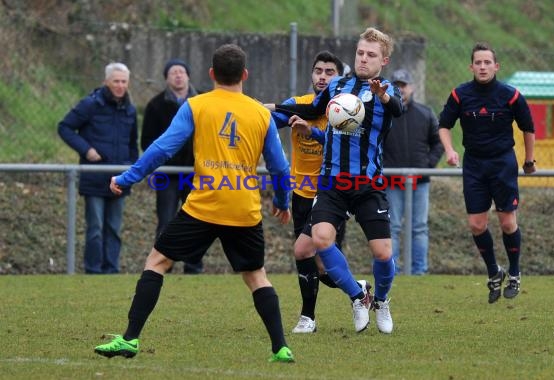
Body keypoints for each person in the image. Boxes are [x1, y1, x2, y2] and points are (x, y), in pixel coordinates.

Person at [93, 44, 295, 363]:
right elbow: (280, 167)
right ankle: (281, 347)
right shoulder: (261, 113)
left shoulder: (196, 105)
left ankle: (130, 339)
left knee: (157, 261)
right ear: (244, 75)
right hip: (243, 208)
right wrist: (283, 201)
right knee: (256, 275)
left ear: (212, 74)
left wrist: (127, 177)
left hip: (204, 205)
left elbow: (162, 149)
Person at [270, 27, 403, 334]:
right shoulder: (338, 85)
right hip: (332, 183)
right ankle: (358, 296)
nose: (364, 59)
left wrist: (382, 94)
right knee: (319, 240)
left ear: (384, 59)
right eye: (360, 53)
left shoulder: (387, 90)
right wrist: (275, 107)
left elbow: (398, 110)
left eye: (371, 55)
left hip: (368, 184)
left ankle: (381, 300)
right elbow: (313, 109)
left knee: (382, 252)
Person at [438, 42, 536, 304]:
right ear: (471, 66)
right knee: (476, 224)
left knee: (507, 222)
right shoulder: (460, 95)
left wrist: (529, 160)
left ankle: (514, 272)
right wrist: (450, 150)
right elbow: (444, 125)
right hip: (474, 165)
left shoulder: (511, 95)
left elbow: (528, 128)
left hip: (503, 163)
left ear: (496, 66)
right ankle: (494, 272)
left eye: (487, 62)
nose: (482, 67)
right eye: (478, 63)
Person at [269, 51, 348, 334]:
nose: (322, 76)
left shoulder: (345, 107)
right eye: (318, 71)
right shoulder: (298, 104)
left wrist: (310, 132)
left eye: (329, 72)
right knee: (317, 264)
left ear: (339, 77)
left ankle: (307, 317)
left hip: (330, 194)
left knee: (306, 253)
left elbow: (340, 145)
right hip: (300, 193)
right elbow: (270, 120)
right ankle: (359, 290)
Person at [58, 62, 138, 274]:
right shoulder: (89, 105)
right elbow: (64, 127)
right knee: (95, 229)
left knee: (114, 228)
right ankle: (93, 270)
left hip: (120, 179)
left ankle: (111, 270)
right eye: (116, 81)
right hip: (94, 177)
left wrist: (132, 168)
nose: (120, 85)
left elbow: (132, 144)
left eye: (123, 81)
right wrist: (87, 150)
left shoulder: (130, 109)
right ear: (106, 82)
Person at [141, 58, 204, 274]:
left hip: (196, 173)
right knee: (166, 221)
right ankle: (161, 267)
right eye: (173, 72)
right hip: (167, 174)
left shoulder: (203, 102)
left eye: (181, 71)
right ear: (167, 78)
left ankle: (194, 266)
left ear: (188, 76)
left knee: (197, 221)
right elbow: (147, 140)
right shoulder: (155, 105)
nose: (178, 75)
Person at [383, 68, 444, 275]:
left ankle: (419, 272)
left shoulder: (425, 113)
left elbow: (438, 142)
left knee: (419, 228)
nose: (401, 89)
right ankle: (393, 271)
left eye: (404, 85)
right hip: (392, 181)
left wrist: (427, 166)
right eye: (397, 85)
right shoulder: (384, 114)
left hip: (420, 181)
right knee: (392, 228)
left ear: (412, 87)